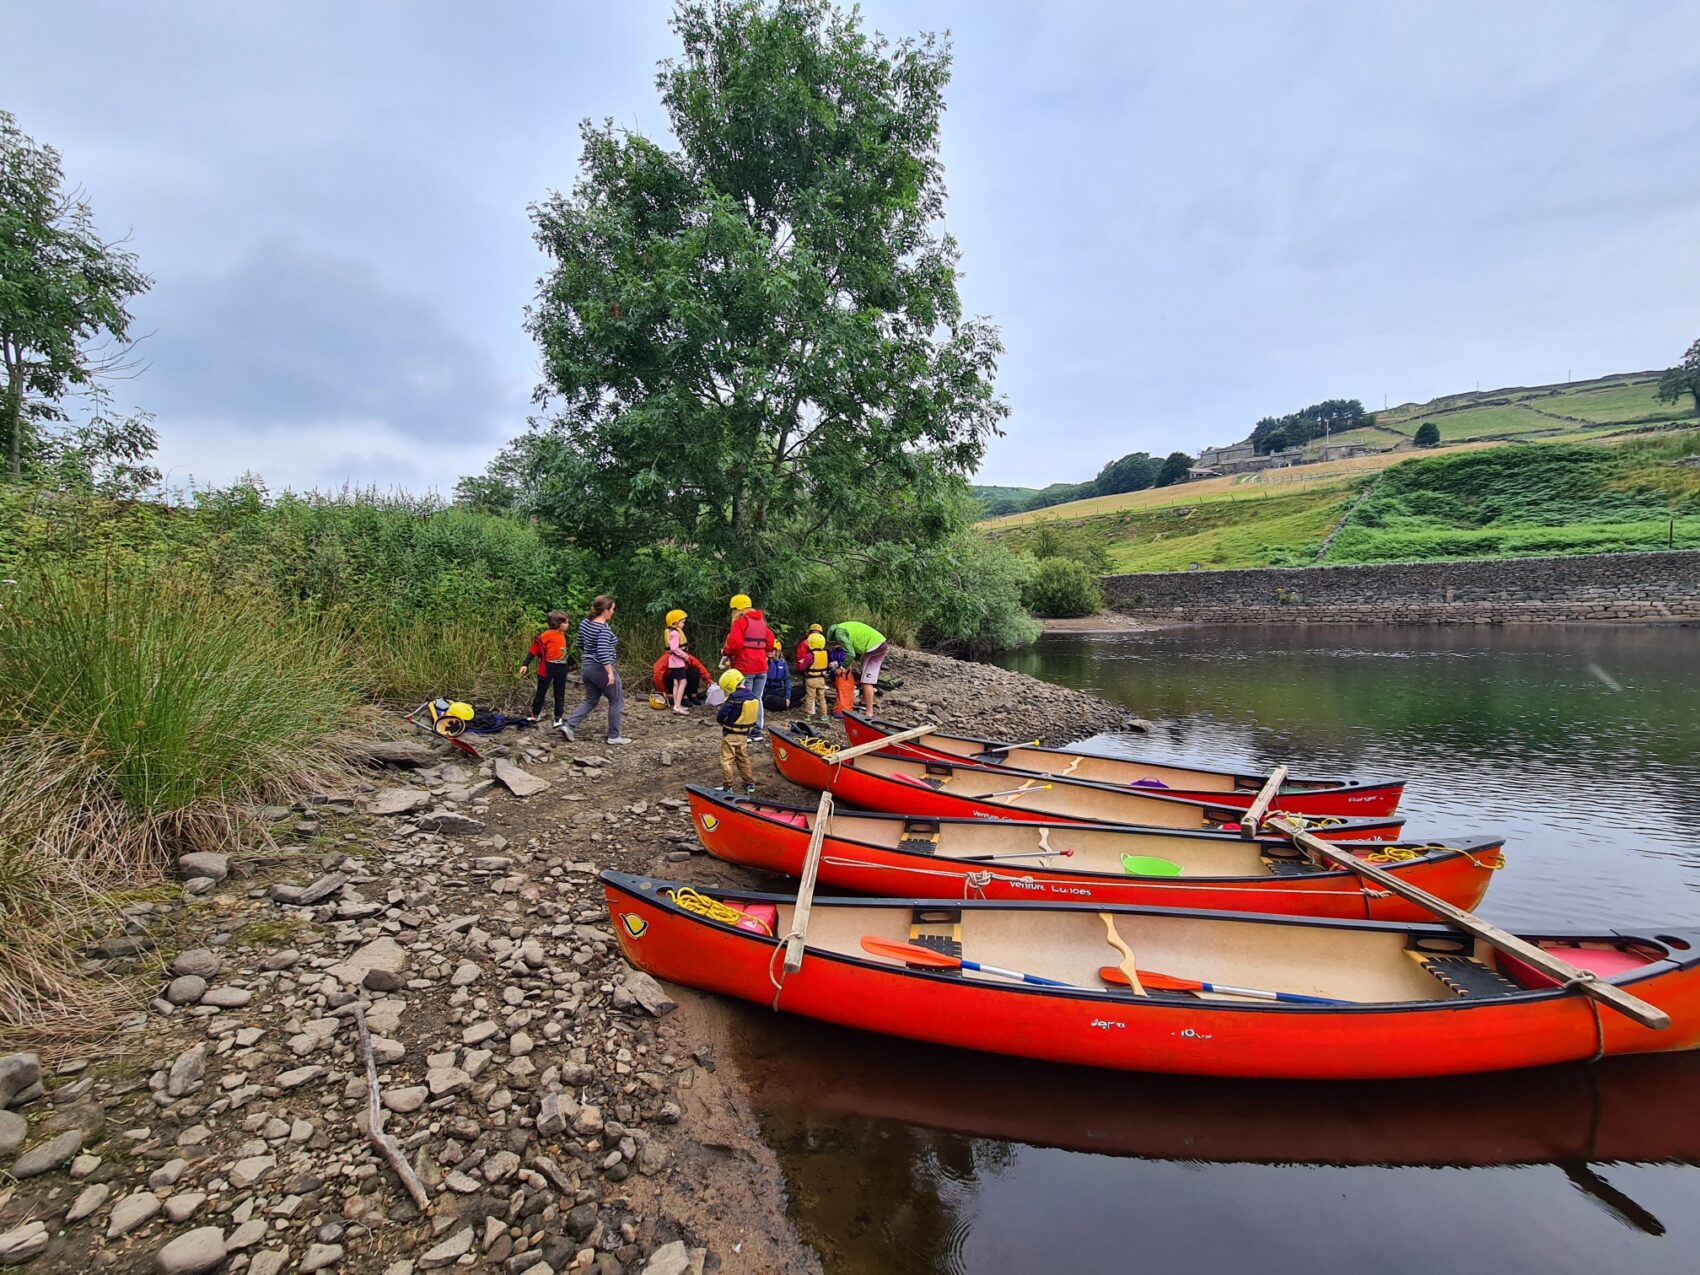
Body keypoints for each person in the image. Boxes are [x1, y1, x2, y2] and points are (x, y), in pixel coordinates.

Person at [563, 595, 632, 744]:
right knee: (617, 700)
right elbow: (602, 652)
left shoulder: (585, 623)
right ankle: (614, 736)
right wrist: (609, 672)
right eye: (612, 609)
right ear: (606, 610)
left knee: (591, 699)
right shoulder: (603, 629)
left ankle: (569, 726)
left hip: (587, 667)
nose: (613, 612)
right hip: (601, 668)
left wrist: (589, 656)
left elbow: (580, 643)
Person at [721, 593, 773, 741]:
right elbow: (770, 642)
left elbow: (734, 644)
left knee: (745, 698)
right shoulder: (762, 621)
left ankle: (745, 731)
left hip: (745, 666)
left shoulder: (740, 621)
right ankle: (757, 731)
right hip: (762, 666)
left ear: (737, 609)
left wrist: (725, 652)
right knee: (757, 698)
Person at [518, 610, 573, 726]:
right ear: (559, 624)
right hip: (548, 666)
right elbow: (534, 649)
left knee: (559, 693)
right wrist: (525, 664)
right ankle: (535, 715)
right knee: (541, 692)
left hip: (562, 666)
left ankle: (558, 717)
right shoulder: (547, 635)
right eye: (566, 623)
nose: (568, 625)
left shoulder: (562, 634)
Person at [826, 620, 889, 713]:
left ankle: (869, 712)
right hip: (879, 644)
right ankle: (864, 701)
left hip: (875, 646)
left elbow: (850, 654)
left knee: (867, 681)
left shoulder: (839, 632)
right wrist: (849, 664)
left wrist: (842, 668)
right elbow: (855, 651)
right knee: (866, 676)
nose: (836, 644)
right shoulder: (844, 627)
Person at [714, 669, 760, 794]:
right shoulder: (752, 696)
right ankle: (750, 784)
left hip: (730, 734)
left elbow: (721, 715)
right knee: (743, 759)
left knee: (726, 760)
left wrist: (721, 721)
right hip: (744, 735)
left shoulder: (733, 698)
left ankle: (728, 787)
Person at [662, 608, 692, 714]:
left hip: (673, 662)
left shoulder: (671, 632)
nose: (683, 624)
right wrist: (685, 656)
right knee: (683, 682)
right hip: (677, 662)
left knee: (676, 683)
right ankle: (677, 706)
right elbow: (674, 648)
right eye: (682, 622)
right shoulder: (675, 633)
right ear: (675, 622)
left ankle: (676, 705)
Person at [799, 631, 831, 722]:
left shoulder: (810, 655)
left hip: (811, 679)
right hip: (821, 679)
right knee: (822, 698)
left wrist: (802, 662)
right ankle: (824, 715)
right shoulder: (825, 654)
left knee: (810, 698)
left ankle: (808, 715)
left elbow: (802, 667)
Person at [762, 636, 793, 714]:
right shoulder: (763, 661)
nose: (769, 652)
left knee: (802, 689)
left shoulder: (783, 662)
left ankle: (786, 701)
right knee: (770, 699)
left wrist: (788, 696)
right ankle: (787, 703)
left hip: (779, 691)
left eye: (772, 650)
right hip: (766, 692)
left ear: (777, 651)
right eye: (767, 650)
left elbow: (787, 680)